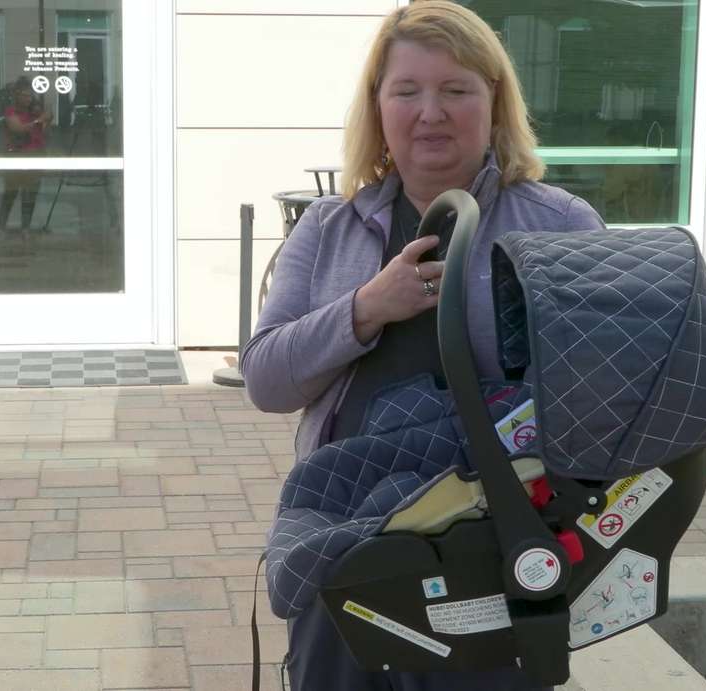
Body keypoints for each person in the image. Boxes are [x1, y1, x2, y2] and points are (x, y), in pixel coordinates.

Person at [239, 3, 606, 689]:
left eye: (456, 90)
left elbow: (604, 380)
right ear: (377, 106)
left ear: (494, 103)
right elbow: (266, 378)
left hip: (489, 540)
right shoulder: (328, 228)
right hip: (348, 532)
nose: (430, 111)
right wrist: (365, 308)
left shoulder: (557, 224)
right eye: (406, 90)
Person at [0, 76, 51, 233]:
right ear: (16, 95)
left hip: (36, 155)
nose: (28, 98)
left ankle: (26, 227)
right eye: (24, 95)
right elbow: (17, 128)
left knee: (30, 194)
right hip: (16, 156)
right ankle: (0, 226)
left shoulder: (35, 111)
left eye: (30, 95)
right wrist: (39, 121)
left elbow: (45, 132)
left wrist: (45, 119)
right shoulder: (11, 111)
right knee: (10, 193)